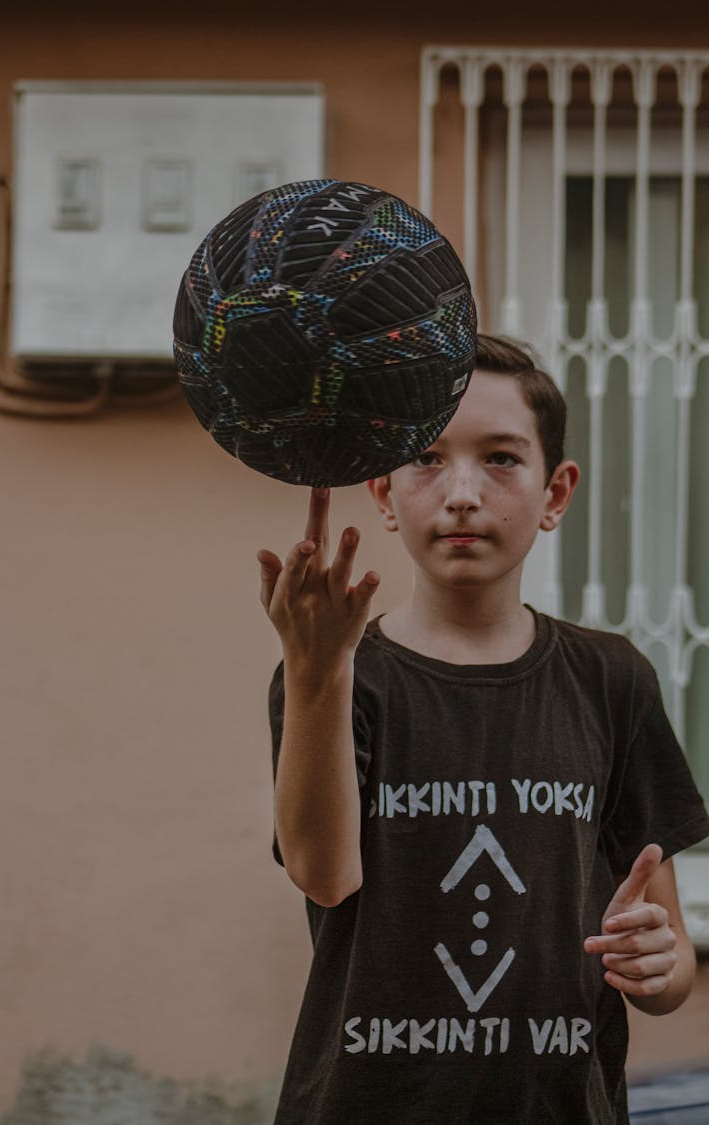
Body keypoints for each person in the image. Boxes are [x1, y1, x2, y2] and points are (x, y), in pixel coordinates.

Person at [257, 334, 709, 1125]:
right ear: (386, 493)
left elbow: (664, 970)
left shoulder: (611, 679)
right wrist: (316, 671)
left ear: (556, 491)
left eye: (501, 457)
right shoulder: (339, 675)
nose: (462, 491)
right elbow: (323, 873)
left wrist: (660, 962)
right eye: (428, 456)